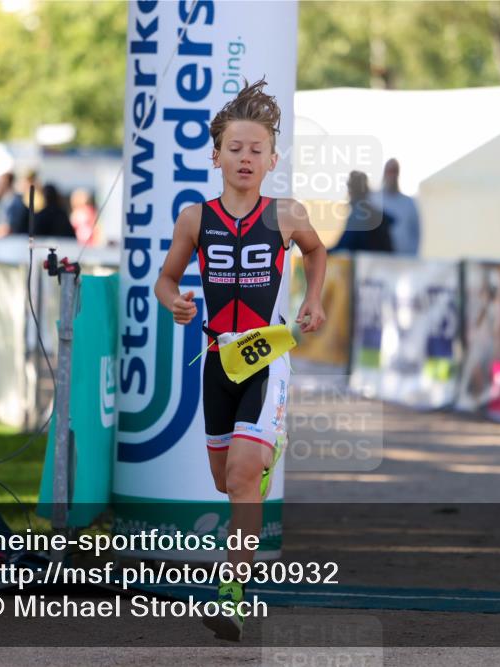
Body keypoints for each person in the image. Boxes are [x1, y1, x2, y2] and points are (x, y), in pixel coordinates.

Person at [154, 79, 326, 642]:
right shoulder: (193, 219)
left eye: (257, 150)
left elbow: (317, 250)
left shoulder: (286, 214)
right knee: (225, 480)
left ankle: (231, 594)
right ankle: (260, 457)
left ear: (272, 160)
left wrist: (314, 299)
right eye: (235, 148)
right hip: (217, 358)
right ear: (216, 156)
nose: (246, 158)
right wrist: (175, 302)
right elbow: (166, 279)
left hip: (267, 355)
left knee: (244, 474)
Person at [329, 171, 394, 254]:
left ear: (351, 189)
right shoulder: (373, 212)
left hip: (365, 260)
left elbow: (346, 244)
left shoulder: (359, 214)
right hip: (379, 260)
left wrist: (322, 251)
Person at [376, 158, 420, 256]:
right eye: (389, 171)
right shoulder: (374, 200)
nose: (392, 175)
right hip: (380, 259)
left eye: (395, 171)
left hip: (404, 259)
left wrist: (412, 255)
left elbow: (416, 233)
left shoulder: (409, 203)